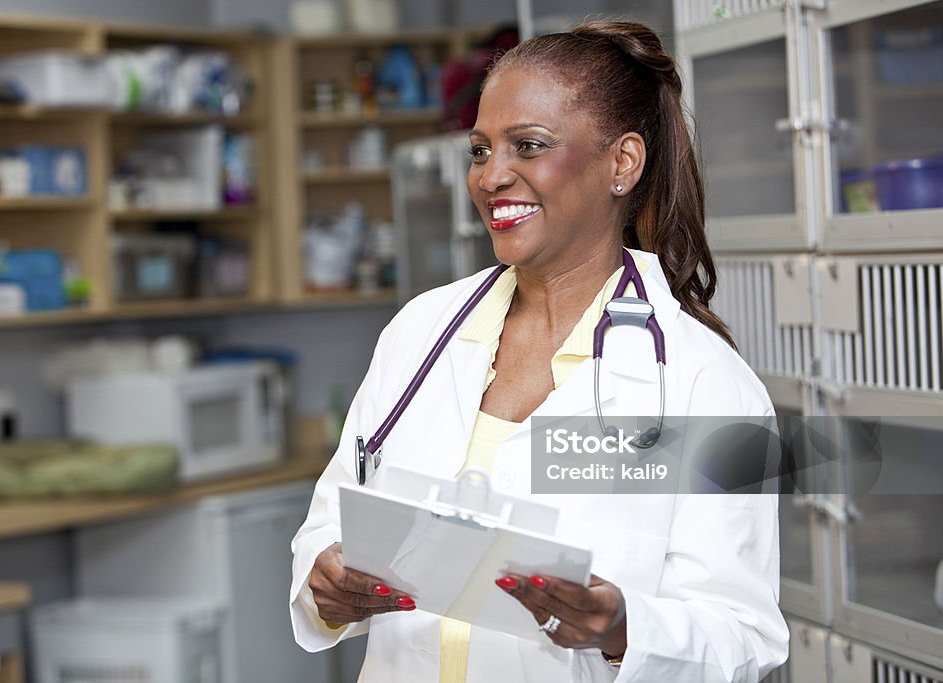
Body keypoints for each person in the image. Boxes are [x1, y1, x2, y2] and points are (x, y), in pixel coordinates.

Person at [290, 19, 789, 682]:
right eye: (479, 149)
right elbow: (328, 522)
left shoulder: (701, 383)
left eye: (528, 145)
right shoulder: (420, 333)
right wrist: (324, 582)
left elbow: (745, 634)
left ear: (623, 163)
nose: (492, 176)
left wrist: (621, 627)